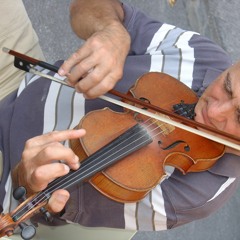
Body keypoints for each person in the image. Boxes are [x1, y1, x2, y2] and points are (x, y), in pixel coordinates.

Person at [1, 0, 240, 235]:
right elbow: (85, 6)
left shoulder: (199, 196)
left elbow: (53, 207)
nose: (215, 111)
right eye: (227, 85)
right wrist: (110, 29)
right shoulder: (201, 54)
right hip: (20, 78)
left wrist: (27, 180)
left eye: (239, 118)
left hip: (7, 175)